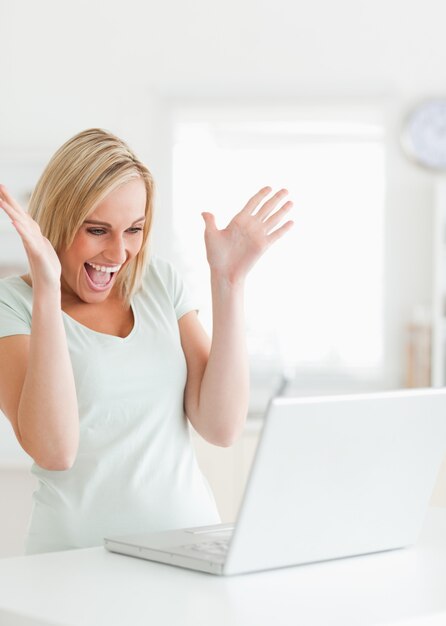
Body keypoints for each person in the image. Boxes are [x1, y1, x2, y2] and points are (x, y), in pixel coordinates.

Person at [0, 128, 293, 554]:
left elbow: (221, 426)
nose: (119, 253)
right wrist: (46, 287)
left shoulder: (158, 283)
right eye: (98, 230)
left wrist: (228, 281)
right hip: (74, 564)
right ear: (56, 221)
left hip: (185, 552)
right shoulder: (13, 304)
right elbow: (54, 450)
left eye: (134, 230)